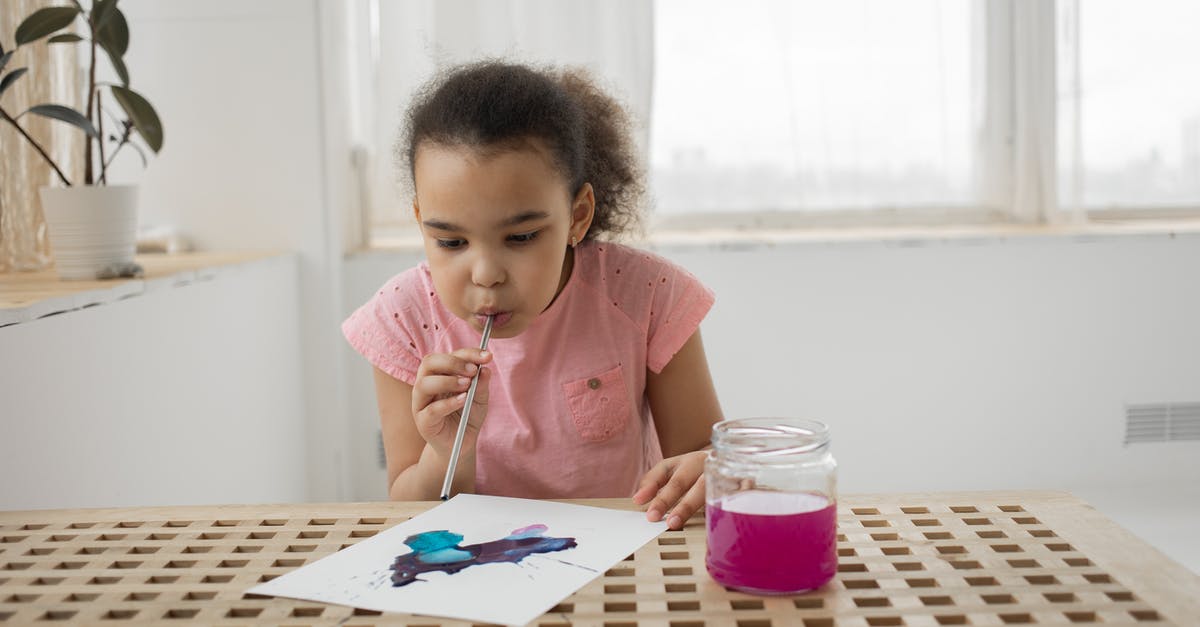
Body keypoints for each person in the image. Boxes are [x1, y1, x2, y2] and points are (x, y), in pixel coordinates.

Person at [342, 60, 723, 530]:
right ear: (421, 219)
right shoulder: (402, 318)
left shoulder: (648, 297)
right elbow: (408, 508)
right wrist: (447, 451)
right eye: (450, 242)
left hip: (619, 568)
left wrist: (713, 468)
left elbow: (703, 458)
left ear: (578, 216)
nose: (485, 274)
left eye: (520, 238)